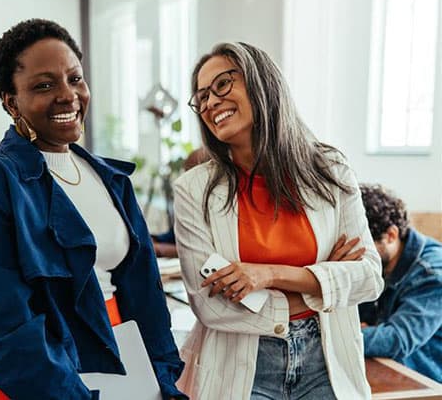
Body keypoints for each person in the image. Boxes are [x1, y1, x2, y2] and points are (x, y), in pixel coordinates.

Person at [0, 19, 186, 400]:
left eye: (75, 78)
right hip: (38, 381)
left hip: (124, 366)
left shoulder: (110, 178)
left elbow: (145, 297)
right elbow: (1, 330)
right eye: (44, 85)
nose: (68, 95)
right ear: (11, 101)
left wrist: (162, 378)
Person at [173, 42, 384, 400]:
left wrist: (267, 274)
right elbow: (211, 306)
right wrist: (322, 282)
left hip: (327, 363)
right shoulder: (193, 189)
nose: (210, 103)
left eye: (222, 85)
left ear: (261, 82)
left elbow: (368, 278)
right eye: (202, 96)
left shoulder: (330, 169)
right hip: (243, 367)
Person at [359, 184, 442, 383]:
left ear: (391, 235)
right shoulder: (377, 263)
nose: (358, 258)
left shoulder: (432, 274)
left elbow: (396, 339)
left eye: (365, 248)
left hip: (427, 382)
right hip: (388, 371)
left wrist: (343, 336)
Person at [152, 147, 210, 258]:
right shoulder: (191, 205)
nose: (185, 180)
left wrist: (162, 249)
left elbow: (203, 251)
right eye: (185, 173)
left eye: (191, 173)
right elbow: (171, 237)